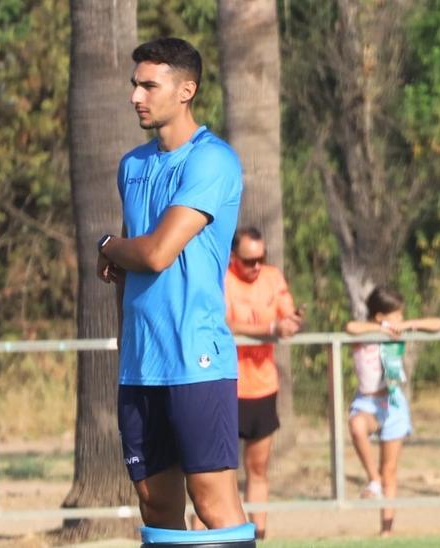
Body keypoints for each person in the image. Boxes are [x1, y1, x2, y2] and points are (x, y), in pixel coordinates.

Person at [96, 37, 248, 532]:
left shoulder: (212, 160)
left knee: (213, 505)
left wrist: (107, 245)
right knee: (155, 506)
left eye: (148, 85)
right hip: (142, 363)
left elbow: (156, 253)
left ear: (186, 90)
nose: (136, 96)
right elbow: (130, 266)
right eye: (134, 85)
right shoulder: (132, 166)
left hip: (196, 360)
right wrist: (126, 338)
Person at [221, 226, 303, 539]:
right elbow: (226, 323)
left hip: (263, 386)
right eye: (248, 260)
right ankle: (205, 535)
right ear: (233, 258)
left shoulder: (272, 277)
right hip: (227, 384)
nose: (256, 266)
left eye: (261, 258)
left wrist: (292, 322)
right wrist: (270, 326)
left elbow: (287, 315)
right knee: (216, 473)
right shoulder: (223, 278)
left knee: (258, 468)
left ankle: (259, 534)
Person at [344, 287, 440, 537]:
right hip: (367, 403)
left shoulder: (398, 329)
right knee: (356, 426)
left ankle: (386, 531)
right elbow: (351, 328)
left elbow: (438, 324)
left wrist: (407, 324)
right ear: (380, 316)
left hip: (392, 403)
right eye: (397, 314)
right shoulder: (366, 332)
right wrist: (380, 329)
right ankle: (373, 480)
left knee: (390, 469)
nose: (401, 317)